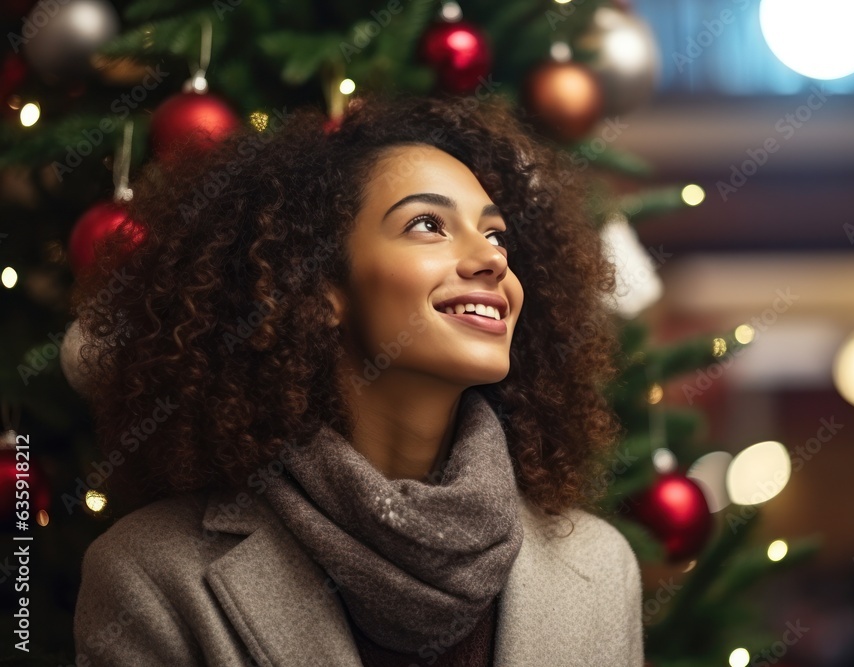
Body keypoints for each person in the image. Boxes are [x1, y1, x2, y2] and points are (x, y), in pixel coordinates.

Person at [69, 91, 643, 666]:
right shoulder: (150, 576)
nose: (492, 259)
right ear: (320, 288)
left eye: (497, 235)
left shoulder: (600, 566)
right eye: (427, 224)